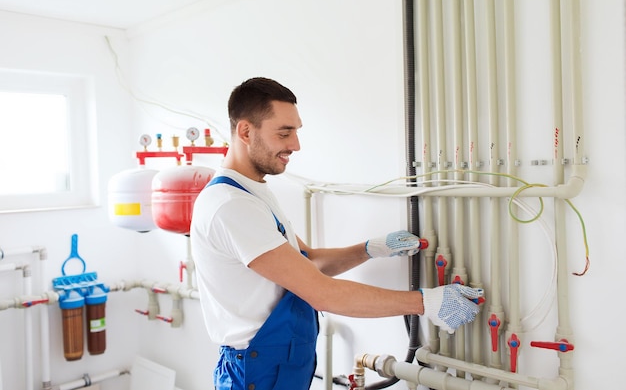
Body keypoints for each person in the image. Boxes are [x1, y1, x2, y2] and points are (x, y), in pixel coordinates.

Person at [190, 77, 484, 390]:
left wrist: (371, 248)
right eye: (284, 132)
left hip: (277, 363)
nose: (295, 145)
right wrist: (425, 302)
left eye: (296, 131)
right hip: (254, 369)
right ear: (246, 131)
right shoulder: (230, 205)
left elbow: (307, 262)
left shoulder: (254, 193)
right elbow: (321, 292)